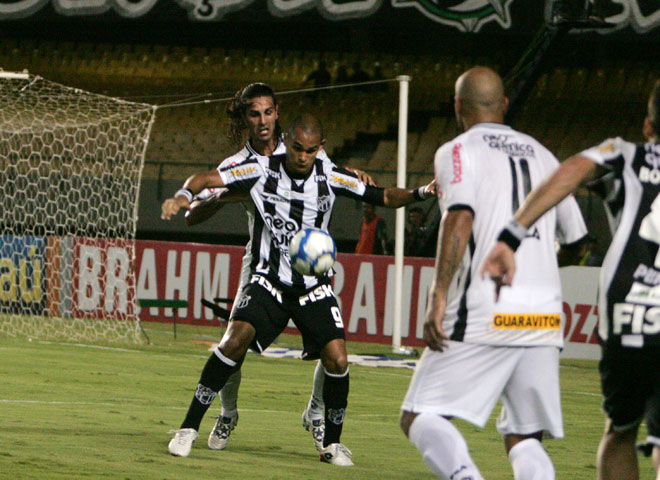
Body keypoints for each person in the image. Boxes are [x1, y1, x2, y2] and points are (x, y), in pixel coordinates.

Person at [161, 113, 436, 465]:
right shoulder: (260, 169)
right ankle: (188, 428)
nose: (302, 157)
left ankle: (332, 444)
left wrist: (422, 192)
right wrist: (184, 195)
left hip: (312, 286)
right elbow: (206, 178)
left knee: (337, 357)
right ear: (286, 141)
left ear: (320, 149)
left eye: (309, 151)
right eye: (296, 148)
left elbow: (382, 195)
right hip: (269, 280)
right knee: (233, 340)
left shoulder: (332, 176)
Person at [399, 66, 587, 480]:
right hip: (542, 315)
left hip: (486, 307)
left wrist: (438, 297)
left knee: (420, 415)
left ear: (457, 107)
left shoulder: (458, 150)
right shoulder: (544, 155)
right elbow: (578, 241)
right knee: (524, 437)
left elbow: (459, 218)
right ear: (504, 104)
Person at [183, 82, 376, 454]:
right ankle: (227, 412)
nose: (263, 121)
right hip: (262, 264)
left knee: (331, 345)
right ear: (245, 118)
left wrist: (353, 173)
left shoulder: (299, 146)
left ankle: (317, 413)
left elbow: (331, 173)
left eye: (268, 112)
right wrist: (224, 196)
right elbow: (192, 216)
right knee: (233, 344)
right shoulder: (235, 166)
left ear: (277, 115)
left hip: (309, 261)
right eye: (254, 114)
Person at [481, 79, 660, 480]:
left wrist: (512, 235)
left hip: (630, 310)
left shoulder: (627, 155)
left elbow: (574, 169)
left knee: (621, 432)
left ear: (648, 127)